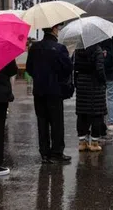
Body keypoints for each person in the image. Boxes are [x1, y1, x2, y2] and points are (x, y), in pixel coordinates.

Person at [26, 23, 73, 164]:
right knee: (56, 122)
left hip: (39, 91)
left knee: (42, 122)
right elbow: (67, 68)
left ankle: (44, 153)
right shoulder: (60, 48)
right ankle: (57, 152)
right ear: (53, 29)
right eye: (57, 28)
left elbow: (29, 68)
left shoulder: (34, 48)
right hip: (55, 91)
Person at [74, 44, 107, 152]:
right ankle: (94, 143)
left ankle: (82, 142)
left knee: (82, 114)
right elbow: (100, 69)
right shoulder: (97, 50)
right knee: (97, 114)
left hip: (82, 85)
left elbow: (75, 68)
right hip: (95, 85)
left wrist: (77, 83)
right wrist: (103, 82)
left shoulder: (78, 50)